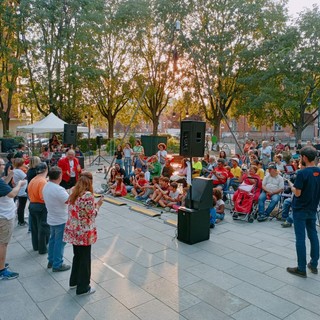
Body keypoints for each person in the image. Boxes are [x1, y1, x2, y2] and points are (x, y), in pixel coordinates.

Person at [63, 172, 104, 295]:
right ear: (90, 182)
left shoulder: (72, 191)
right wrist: (98, 205)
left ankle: (74, 282)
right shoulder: (87, 195)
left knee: (77, 256)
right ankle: (83, 287)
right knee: (85, 258)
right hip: (84, 232)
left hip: (73, 230)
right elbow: (91, 214)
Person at [286, 146, 320, 277]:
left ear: (304, 158)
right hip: (312, 208)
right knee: (313, 236)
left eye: (301, 157)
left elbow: (298, 193)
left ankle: (301, 268)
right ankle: (314, 264)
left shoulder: (301, 173)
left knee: (300, 238)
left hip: (300, 210)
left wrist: (291, 185)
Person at [0, 158, 27, 280]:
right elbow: (11, 194)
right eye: (2, 164)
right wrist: (19, 185)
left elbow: (2, 186)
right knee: (3, 244)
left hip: (3, 215)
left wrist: (10, 176)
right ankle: (1, 270)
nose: (4, 166)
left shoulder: (1, 181)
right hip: (4, 217)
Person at [43, 166, 70, 272]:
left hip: (52, 217)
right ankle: (57, 264)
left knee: (53, 240)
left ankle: (51, 260)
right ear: (60, 176)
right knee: (60, 242)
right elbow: (68, 201)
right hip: (61, 219)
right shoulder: (59, 189)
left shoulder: (47, 186)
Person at [28, 162, 50, 254]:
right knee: (43, 228)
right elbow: (43, 197)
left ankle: (36, 246)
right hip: (40, 206)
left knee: (35, 228)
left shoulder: (33, 180)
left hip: (32, 205)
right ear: (46, 169)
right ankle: (43, 248)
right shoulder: (42, 181)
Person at [12, 158, 28, 226]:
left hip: (19, 189)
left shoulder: (15, 170)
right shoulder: (19, 171)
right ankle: (21, 221)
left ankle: (20, 220)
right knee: (22, 207)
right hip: (22, 191)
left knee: (20, 206)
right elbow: (26, 177)